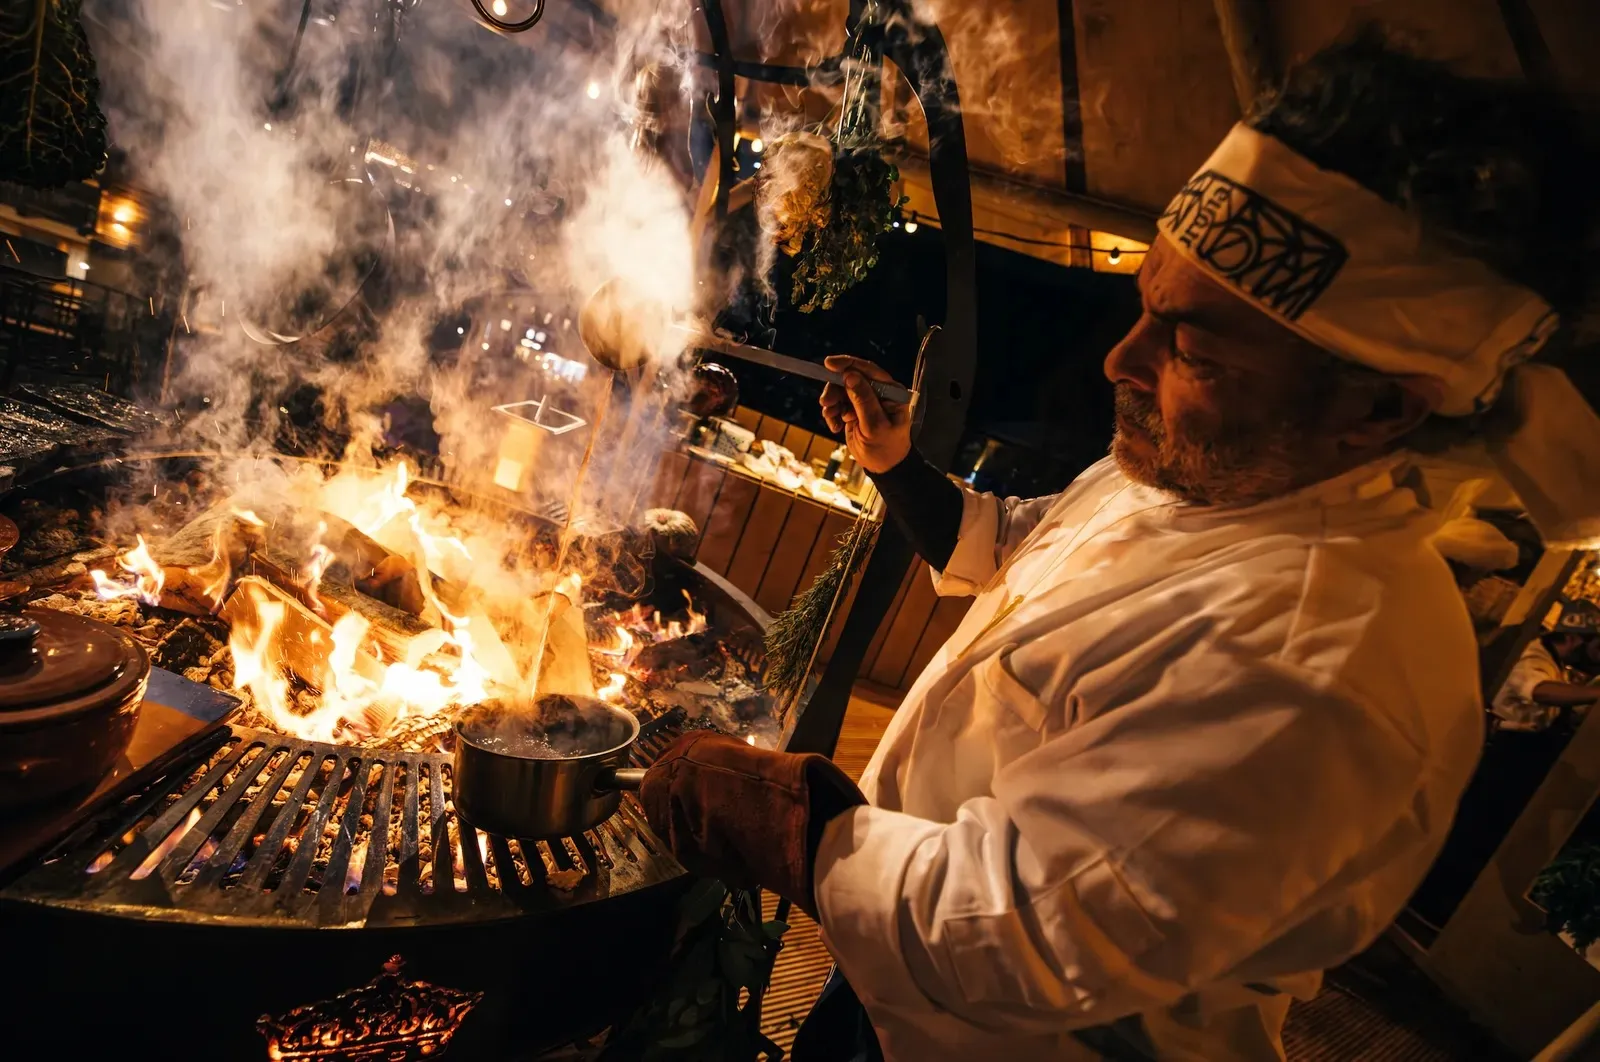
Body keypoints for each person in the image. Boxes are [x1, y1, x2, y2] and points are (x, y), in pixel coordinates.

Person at [637, 30, 1600, 1062]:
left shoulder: (1313, 658)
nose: (1118, 360)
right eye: (1143, 307)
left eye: (1189, 345)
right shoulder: (1205, 482)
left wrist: (790, 825)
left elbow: (1017, 938)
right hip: (897, 981)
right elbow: (1018, 552)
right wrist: (896, 465)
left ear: (1375, 411)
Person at [1492, 601, 1600, 733]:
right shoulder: (1532, 654)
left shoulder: (1556, 664)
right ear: (1571, 638)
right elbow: (1540, 691)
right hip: (1499, 738)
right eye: (1597, 648)